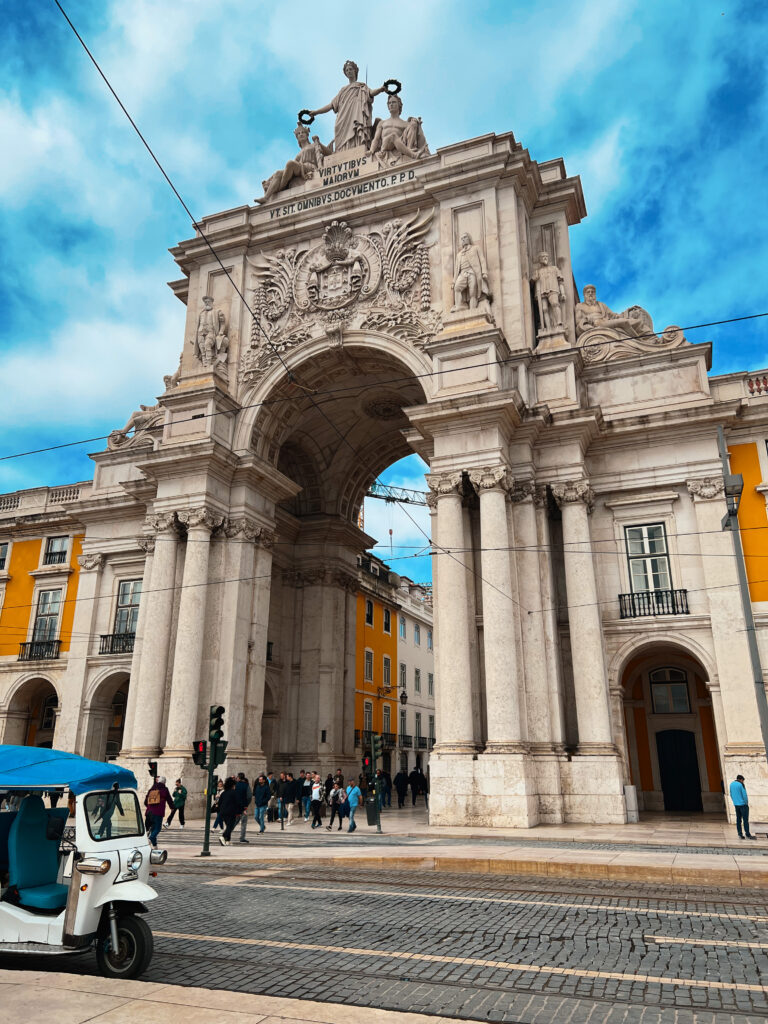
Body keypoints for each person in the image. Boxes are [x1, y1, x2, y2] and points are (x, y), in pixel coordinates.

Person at [306, 60, 386, 152]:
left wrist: (381, 89)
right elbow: (331, 105)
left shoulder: (362, 86)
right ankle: (342, 153)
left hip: (356, 115)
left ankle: (358, 149)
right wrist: (316, 112)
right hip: (343, 117)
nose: (349, 71)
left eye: (350, 69)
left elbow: (371, 93)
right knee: (339, 132)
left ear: (355, 71)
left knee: (356, 130)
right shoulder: (343, 90)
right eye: (347, 70)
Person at [451, 232, 491, 312]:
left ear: (469, 238)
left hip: (473, 273)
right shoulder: (459, 255)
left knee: (473, 292)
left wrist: (484, 272)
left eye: (465, 237)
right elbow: (456, 269)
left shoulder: (476, 248)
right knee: (457, 288)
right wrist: (453, 281)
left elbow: (482, 260)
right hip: (463, 274)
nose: (463, 240)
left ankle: (473, 310)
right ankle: (459, 306)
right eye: (462, 239)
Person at [144, 776, 173, 848]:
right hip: (158, 812)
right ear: (164, 782)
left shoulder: (152, 788)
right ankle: (150, 839)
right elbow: (169, 799)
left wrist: (149, 807)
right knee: (157, 828)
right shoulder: (164, 789)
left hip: (149, 812)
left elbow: (146, 801)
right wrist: (172, 808)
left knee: (153, 829)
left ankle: (155, 846)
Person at [729, 774, 756, 840]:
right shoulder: (740, 785)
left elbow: (731, 794)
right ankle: (748, 834)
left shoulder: (731, 784)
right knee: (745, 820)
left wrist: (735, 802)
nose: (743, 782)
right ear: (741, 779)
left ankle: (740, 834)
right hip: (743, 805)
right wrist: (746, 803)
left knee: (738, 820)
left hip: (736, 805)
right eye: (743, 780)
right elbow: (744, 795)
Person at [217, 778, 241, 846]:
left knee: (228, 826)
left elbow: (220, 803)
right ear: (233, 785)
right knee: (230, 826)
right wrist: (240, 811)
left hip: (223, 812)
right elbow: (238, 802)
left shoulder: (223, 793)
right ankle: (223, 836)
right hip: (231, 812)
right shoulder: (234, 792)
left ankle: (227, 840)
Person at [235, 772, 252, 843]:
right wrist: (246, 804)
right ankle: (242, 837)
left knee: (234, 822)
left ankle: (226, 834)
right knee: (243, 823)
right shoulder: (246, 785)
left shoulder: (235, 785)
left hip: (236, 806)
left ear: (238, 778)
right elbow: (249, 796)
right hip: (244, 807)